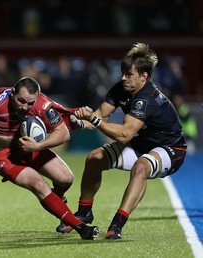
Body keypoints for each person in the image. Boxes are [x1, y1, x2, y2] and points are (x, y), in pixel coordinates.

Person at [0, 77, 101, 240]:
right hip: (0, 155)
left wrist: (37, 146)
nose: (25, 107)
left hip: (28, 147)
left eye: (30, 103)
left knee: (66, 178)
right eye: (21, 101)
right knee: (37, 183)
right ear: (12, 93)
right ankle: (81, 228)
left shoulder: (41, 103)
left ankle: (57, 203)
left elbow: (63, 134)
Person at [59, 43, 187, 240]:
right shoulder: (121, 88)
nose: (123, 78)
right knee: (94, 158)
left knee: (141, 167)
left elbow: (125, 134)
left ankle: (117, 224)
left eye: (129, 74)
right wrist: (75, 122)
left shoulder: (147, 98)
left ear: (144, 76)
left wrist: (93, 119)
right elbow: (99, 116)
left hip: (171, 149)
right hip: (143, 143)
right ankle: (85, 212)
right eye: (123, 73)